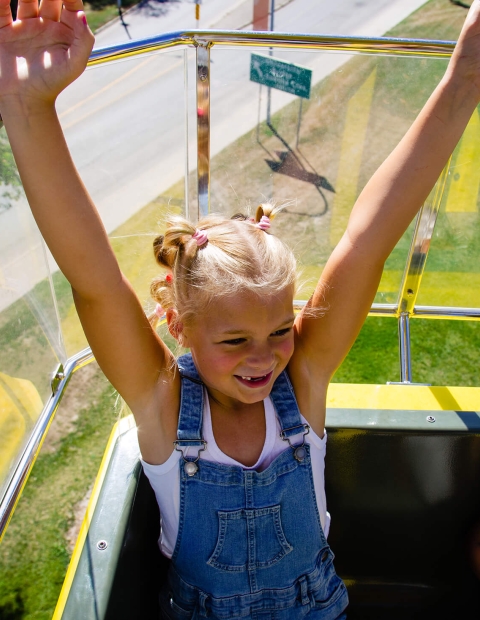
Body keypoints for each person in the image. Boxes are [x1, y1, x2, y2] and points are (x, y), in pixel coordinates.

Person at [1, 0, 480, 617]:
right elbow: (93, 278)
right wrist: (26, 104)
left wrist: (465, 73)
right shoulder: (162, 401)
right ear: (179, 326)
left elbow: (370, 236)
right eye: (233, 341)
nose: (265, 358)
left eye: (282, 328)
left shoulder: (302, 381)